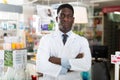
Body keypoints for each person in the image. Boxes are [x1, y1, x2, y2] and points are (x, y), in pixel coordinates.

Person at [36, 3, 92, 80]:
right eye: (62, 16)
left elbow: (86, 65)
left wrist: (58, 61)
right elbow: (41, 65)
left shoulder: (82, 41)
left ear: (73, 20)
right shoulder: (46, 39)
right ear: (56, 19)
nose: (65, 19)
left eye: (69, 16)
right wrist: (70, 67)